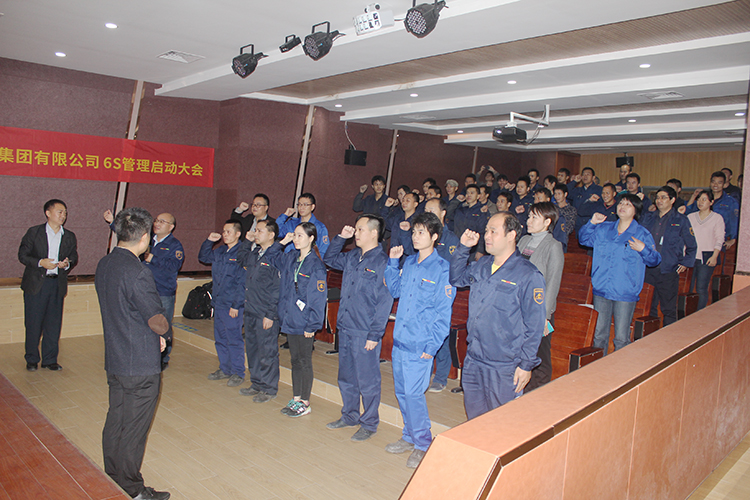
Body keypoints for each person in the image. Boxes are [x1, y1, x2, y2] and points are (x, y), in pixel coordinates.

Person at [95, 207, 170, 500]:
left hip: (115, 357)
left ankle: (112, 476)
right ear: (144, 237)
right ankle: (133, 489)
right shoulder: (138, 272)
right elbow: (156, 319)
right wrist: (164, 335)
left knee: (116, 419)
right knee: (134, 428)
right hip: (139, 362)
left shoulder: (105, 263)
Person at [449, 213, 546, 420]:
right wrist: (463, 248)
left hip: (504, 366)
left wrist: (526, 365)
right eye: (486, 231)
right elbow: (456, 278)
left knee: (503, 424)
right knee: (476, 421)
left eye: (493, 231)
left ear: (511, 235)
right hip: (474, 359)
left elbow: (535, 326)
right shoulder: (482, 265)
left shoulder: (528, 275)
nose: (487, 236)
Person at [384, 212, 455, 468]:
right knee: (402, 393)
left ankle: (423, 444)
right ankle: (409, 435)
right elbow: (395, 290)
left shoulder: (442, 269)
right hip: (401, 340)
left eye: (421, 232)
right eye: (414, 232)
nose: (415, 236)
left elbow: (443, 313)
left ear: (434, 237)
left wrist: (431, 346)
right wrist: (393, 264)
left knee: (414, 395)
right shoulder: (410, 263)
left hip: (420, 344)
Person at [324, 215, 393, 441]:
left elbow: (384, 302)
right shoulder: (353, 256)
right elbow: (329, 258)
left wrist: (375, 334)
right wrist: (340, 239)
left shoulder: (383, 262)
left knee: (368, 380)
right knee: (346, 377)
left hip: (365, 331)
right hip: (346, 326)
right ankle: (349, 415)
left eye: (360, 229)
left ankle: (369, 423)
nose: (356, 233)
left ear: (374, 233)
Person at [578, 194, 661, 354]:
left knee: (621, 338)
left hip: (625, 292)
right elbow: (583, 239)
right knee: (599, 335)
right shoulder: (604, 228)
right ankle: (599, 366)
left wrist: (643, 249)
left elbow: (655, 260)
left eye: (628, 204)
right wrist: (592, 223)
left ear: (636, 211)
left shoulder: (641, 234)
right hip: (602, 289)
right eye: (621, 203)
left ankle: (620, 368)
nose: (623, 206)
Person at [265, 222, 327, 417]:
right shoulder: (291, 257)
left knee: (304, 361)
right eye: (295, 235)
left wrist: (313, 325)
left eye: (300, 235)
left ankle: (305, 402)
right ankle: (296, 397)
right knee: (294, 360)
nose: (296, 239)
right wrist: (283, 242)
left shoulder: (315, 265)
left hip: (305, 321)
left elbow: (318, 298)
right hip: (290, 317)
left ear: (311, 238)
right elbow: (270, 255)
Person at [403, 198, 460, 393]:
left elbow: (451, 267)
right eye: (425, 209)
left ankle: (441, 376)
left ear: (443, 213)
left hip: (438, 287)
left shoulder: (450, 239)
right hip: (421, 287)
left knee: (439, 331)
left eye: (432, 210)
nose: (428, 213)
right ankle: (424, 372)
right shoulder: (419, 236)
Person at [18, 199, 78, 372]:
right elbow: (23, 255)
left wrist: (66, 264)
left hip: (56, 284)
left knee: (53, 324)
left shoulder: (69, 235)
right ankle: (32, 359)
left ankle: (50, 359)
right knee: (33, 322)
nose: (63, 215)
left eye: (65, 212)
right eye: (60, 212)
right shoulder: (34, 232)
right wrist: (40, 262)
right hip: (37, 284)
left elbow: (73, 256)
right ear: (48, 213)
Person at [517, 203, 563, 391]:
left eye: (534, 217)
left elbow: (553, 282)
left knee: (540, 355)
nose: (529, 220)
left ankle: (538, 393)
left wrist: (545, 315)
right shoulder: (523, 240)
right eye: (529, 216)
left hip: (538, 309)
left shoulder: (554, 246)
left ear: (547, 222)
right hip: (518, 305)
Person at [236, 219, 282, 403]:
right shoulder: (255, 254)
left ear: (271, 235)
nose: (256, 233)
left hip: (265, 313)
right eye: (255, 230)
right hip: (251, 310)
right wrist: (247, 241)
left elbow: (277, 289)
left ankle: (269, 388)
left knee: (267, 352)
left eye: (260, 231)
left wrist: (271, 314)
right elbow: (240, 259)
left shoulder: (275, 257)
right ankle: (256, 383)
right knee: (253, 350)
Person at [198, 220, 248, 387]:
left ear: (238, 234)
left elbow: (242, 282)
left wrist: (236, 305)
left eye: (228, 232)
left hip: (231, 304)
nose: (225, 234)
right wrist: (209, 241)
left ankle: (238, 372)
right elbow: (203, 257)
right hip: (219, 302)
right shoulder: (220, 251)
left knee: (234, 339)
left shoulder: (242, 253)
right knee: (220, 338)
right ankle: (225, 368)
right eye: (224, 231)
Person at [640, 186, 697, 327]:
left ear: (672, 200)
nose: (659, 200)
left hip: (668, 270)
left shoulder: (681, 220)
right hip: (647, 269)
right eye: (657, 197)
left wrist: (685, 263)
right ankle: (651, 334)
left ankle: (669, 335)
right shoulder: (648, 217)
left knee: (669, 308)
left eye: (663, 197)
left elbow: (692, 245)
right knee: (648, 306)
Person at [687, 190, 725, 310]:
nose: (700, 202)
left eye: (704, 199)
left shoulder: (717, 218)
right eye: (698, 199)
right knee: (688, 287)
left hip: (707, 257)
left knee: (701, 288)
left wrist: (715, 256)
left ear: (711, 202)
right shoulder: (690, 217)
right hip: (691, 256)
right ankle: (688, 313)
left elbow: (720, 238)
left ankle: (700, 313)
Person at [686, 171, 739, 250]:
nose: (715, 185)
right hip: (700, 238)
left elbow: (734, 221)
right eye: (713, 182)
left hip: (721, 240)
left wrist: (733, 239)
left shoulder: (731, 202)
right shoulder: (703, 199)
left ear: (724, 184)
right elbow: (688, 213)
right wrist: (694, 196)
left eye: (719, 183)